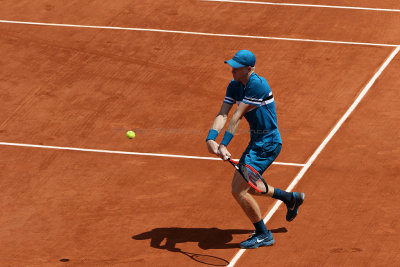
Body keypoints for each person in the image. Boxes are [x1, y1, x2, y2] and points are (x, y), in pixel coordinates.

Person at [205, 50, 305, 249]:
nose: (232, 69)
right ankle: (290, 198)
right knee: (249, 187)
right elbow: (223, 114)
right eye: (232, 65)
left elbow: (237, 115)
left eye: (237, 67)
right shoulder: (234, 85)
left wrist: (224, 145)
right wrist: (210, 138)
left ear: (249, 69)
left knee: (238, 190)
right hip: (257, 142)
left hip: (267, 144)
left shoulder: (257, 85)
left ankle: (263, 234)